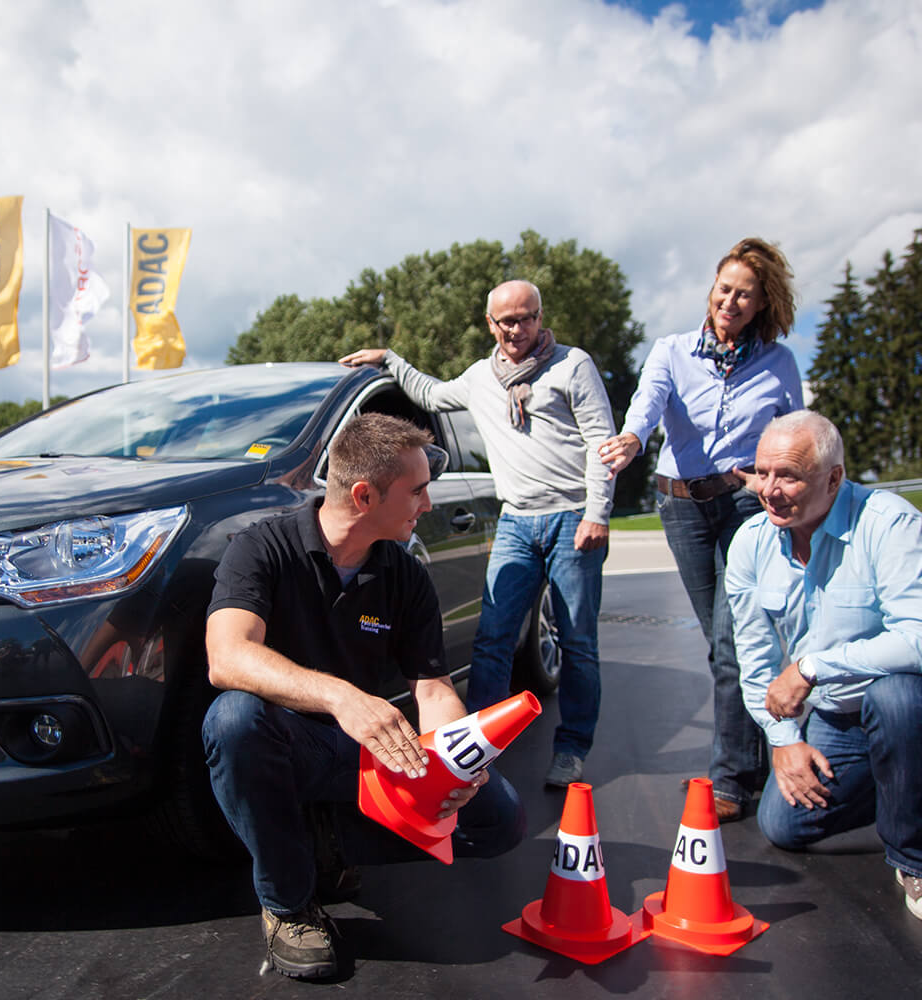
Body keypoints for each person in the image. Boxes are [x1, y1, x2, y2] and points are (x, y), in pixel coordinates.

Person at [202, 413, 525, 980]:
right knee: (234, 722)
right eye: (418, 490)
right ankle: (288, 902)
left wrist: (456, 761)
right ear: (364, 493)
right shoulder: (262, 548)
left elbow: (432, 688)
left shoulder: (405, 574)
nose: (428, 503)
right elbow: (226, 657)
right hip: (288, 749)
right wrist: (340, 698)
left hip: (370, 757)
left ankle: (326, 845)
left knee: (498, 817)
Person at [340, 279, 616, 788]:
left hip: (572, 515)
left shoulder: (572, 365)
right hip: (516, 520)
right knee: (493, 639)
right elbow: (428, 393)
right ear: (491, 324)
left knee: (578, 642)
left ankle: (571, 749)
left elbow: (603, 441)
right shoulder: (479, 377)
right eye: (506, 321)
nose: (517, 329)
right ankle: (479, 749)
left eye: (527, 318)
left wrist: (598, 512)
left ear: (539, 316)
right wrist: (390, 359)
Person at [598, 237, 803, 822]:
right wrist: (633, 439)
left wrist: (778, 477)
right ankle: (764, 751)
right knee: (722, 646)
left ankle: (733, 778)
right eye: (725, 289)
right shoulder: (672, 350)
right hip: (681, 507)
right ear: (711, 288)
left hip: (744, 507)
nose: (730, 302)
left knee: (733, 643)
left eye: (745, 295)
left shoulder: (778, 362)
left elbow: (794, 430)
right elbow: (648, 401)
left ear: (762, 304)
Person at [725, 410, 922, 919]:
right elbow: (755, 659)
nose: (769, 489)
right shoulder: (751, 541)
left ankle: (914, 861)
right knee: (786, 825)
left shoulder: (890, 523)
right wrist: (784, 741)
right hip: (838, 715)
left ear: (834, 478)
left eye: (788, 475)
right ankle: (908, 795)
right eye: (762, 472)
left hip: (906, 704)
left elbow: (918, 638)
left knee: (894, 696)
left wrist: (813, 666)